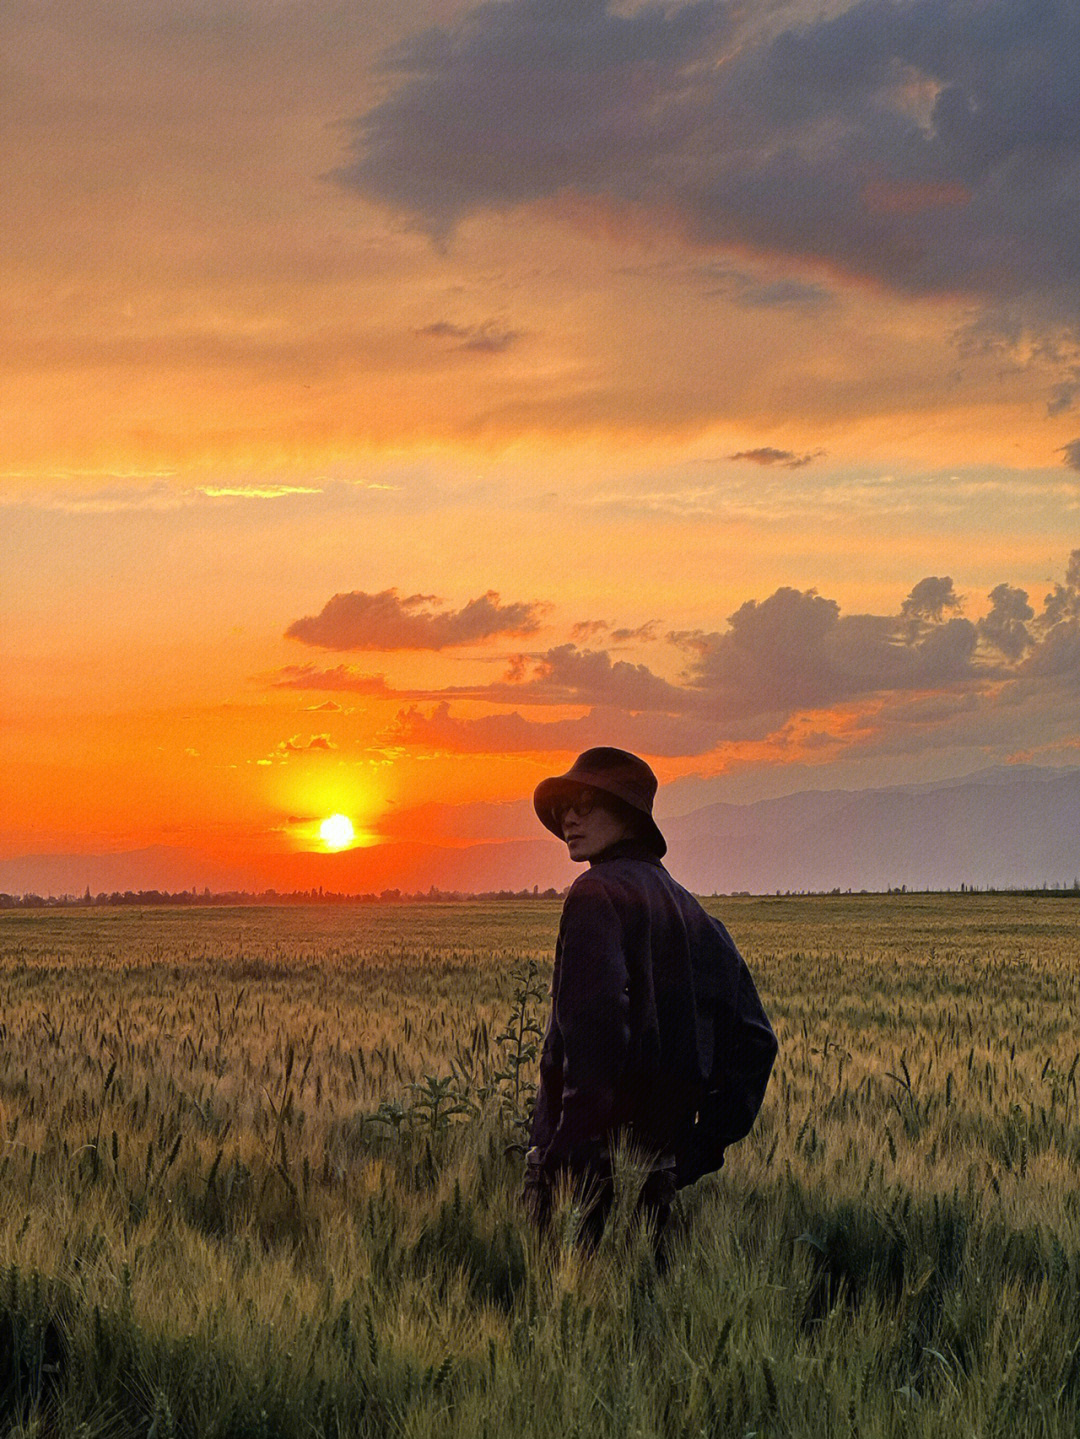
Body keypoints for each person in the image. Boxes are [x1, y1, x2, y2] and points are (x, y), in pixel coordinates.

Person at [521, 747, 777, 1270]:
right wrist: (694, 1153)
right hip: (656, 1177)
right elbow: (756, 1043)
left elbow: (595, 1049)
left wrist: (564, 1165)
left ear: (629, 812)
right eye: (565, 805)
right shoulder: (695, 913)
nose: (569, 816)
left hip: (583, 1181)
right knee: (641, 1336)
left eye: (587, 802)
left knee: (570, 1336)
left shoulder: (595, 894)